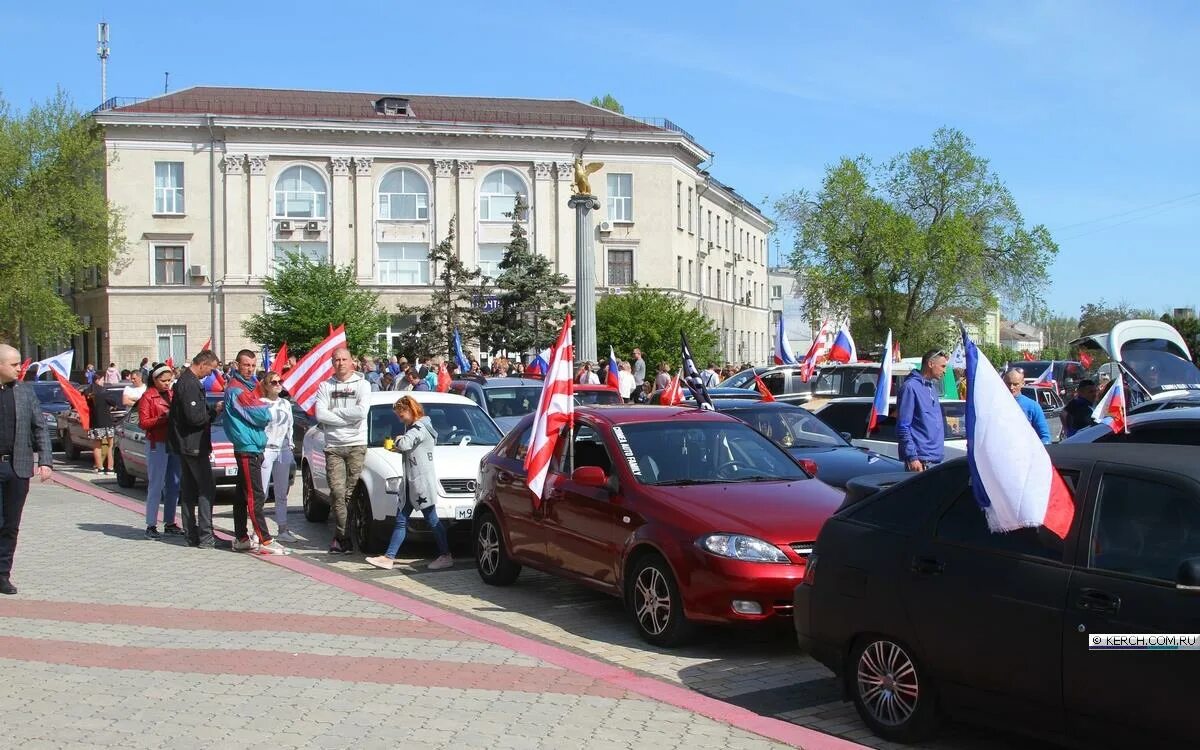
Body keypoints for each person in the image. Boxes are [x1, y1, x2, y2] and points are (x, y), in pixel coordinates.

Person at [365, 396, 453, 571]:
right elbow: (412, 451)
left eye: (401, 414)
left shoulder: (419, 428)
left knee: (431, 520)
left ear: (411, 410)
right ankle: (389, 557)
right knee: (402, 520)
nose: (400, 419)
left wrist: (397, 441)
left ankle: (445, 555)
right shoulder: (420, 426)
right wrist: (398, 448)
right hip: (413, 483)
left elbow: (406, 443)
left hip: (419, 484)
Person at [0, 344, 53, 595]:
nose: (19, 368)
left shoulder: (25, 392)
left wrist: (45, 460)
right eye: (13, 364)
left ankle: (2, 575)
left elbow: (40, 427)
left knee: (10, 524)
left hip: (17, 467)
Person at [224, 350, 287, 555]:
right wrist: (264, 409)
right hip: (247, 447)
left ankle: (242, 537)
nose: (250, 369)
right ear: (237, 365)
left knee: (243, 495)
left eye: (253, 365)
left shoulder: (249, 387)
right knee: (255, 495)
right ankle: (265, 540)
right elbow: (259, 414)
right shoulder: (238, 390)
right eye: (246, 365)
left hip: (253, 446)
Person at [315, 347, 370, 554]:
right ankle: (343, 537)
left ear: (351, 362)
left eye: (344, 359)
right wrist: (348, 418)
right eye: (336, 360)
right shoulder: (325, 386)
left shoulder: (363, 384)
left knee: (350, 494)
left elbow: (362, 411)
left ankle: (342, 538)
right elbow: (320, 415)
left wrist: (334, 413)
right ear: (332, 362)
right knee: (337, 493)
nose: (340, 363)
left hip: (356, 444)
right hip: (334, 446)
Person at [169, 350, 222, 549]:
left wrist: (207, 410)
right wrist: (212, 412)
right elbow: (194, 418)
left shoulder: (187, 381)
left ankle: (191, 534)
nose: (210, 374)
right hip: (193, 444)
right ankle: (205, 536)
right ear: (203, 364)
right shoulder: (189, 384)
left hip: (187, 444)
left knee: (190, 490)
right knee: (206, 489)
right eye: (211, 369)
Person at [138, 365, 183, 539]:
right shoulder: (148, 397)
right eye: (163, 381)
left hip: (173, 442)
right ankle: (151, 524)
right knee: (156, 484)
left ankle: (170, 521)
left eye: (169, 381)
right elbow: (143, 423)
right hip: (157, 443)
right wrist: (164, 417)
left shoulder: (172, 395)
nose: (167, 384)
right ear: (154, 380)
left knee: (174, 483)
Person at [260, 373, 298, 543]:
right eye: (273, 382)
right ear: (266, 385)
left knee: (282, 493)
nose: (277, 384)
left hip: (283, 449)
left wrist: (290, 445)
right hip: (267, 449)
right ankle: (258, 530)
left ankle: (282, 528)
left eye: (279, 381)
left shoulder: (286, 404)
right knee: (262, 491)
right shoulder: (261, 404)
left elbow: (290, 426)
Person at [896, 349, 948, 472]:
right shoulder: (910, 387)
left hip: (935, 461)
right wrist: (912, 457)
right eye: (942, 366)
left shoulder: (932, 388)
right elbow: (903, 426)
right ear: (930, 364)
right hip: (920, 462)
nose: (944, 371)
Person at [1004, 369, 1052, 444]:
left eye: (1015, 384)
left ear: (1023, 383)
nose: (1011, 387)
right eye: (1008, 383)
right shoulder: (994, 405)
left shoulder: (1032, 406)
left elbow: (1045, 437)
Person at [86, 382, 116, 474]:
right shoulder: (104, 394)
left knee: (97, 446)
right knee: (111, 445)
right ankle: (110, 468)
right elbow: (114, 403)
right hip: (107, 423)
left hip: (95, 423)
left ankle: (100, 468)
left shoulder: (89, 397)